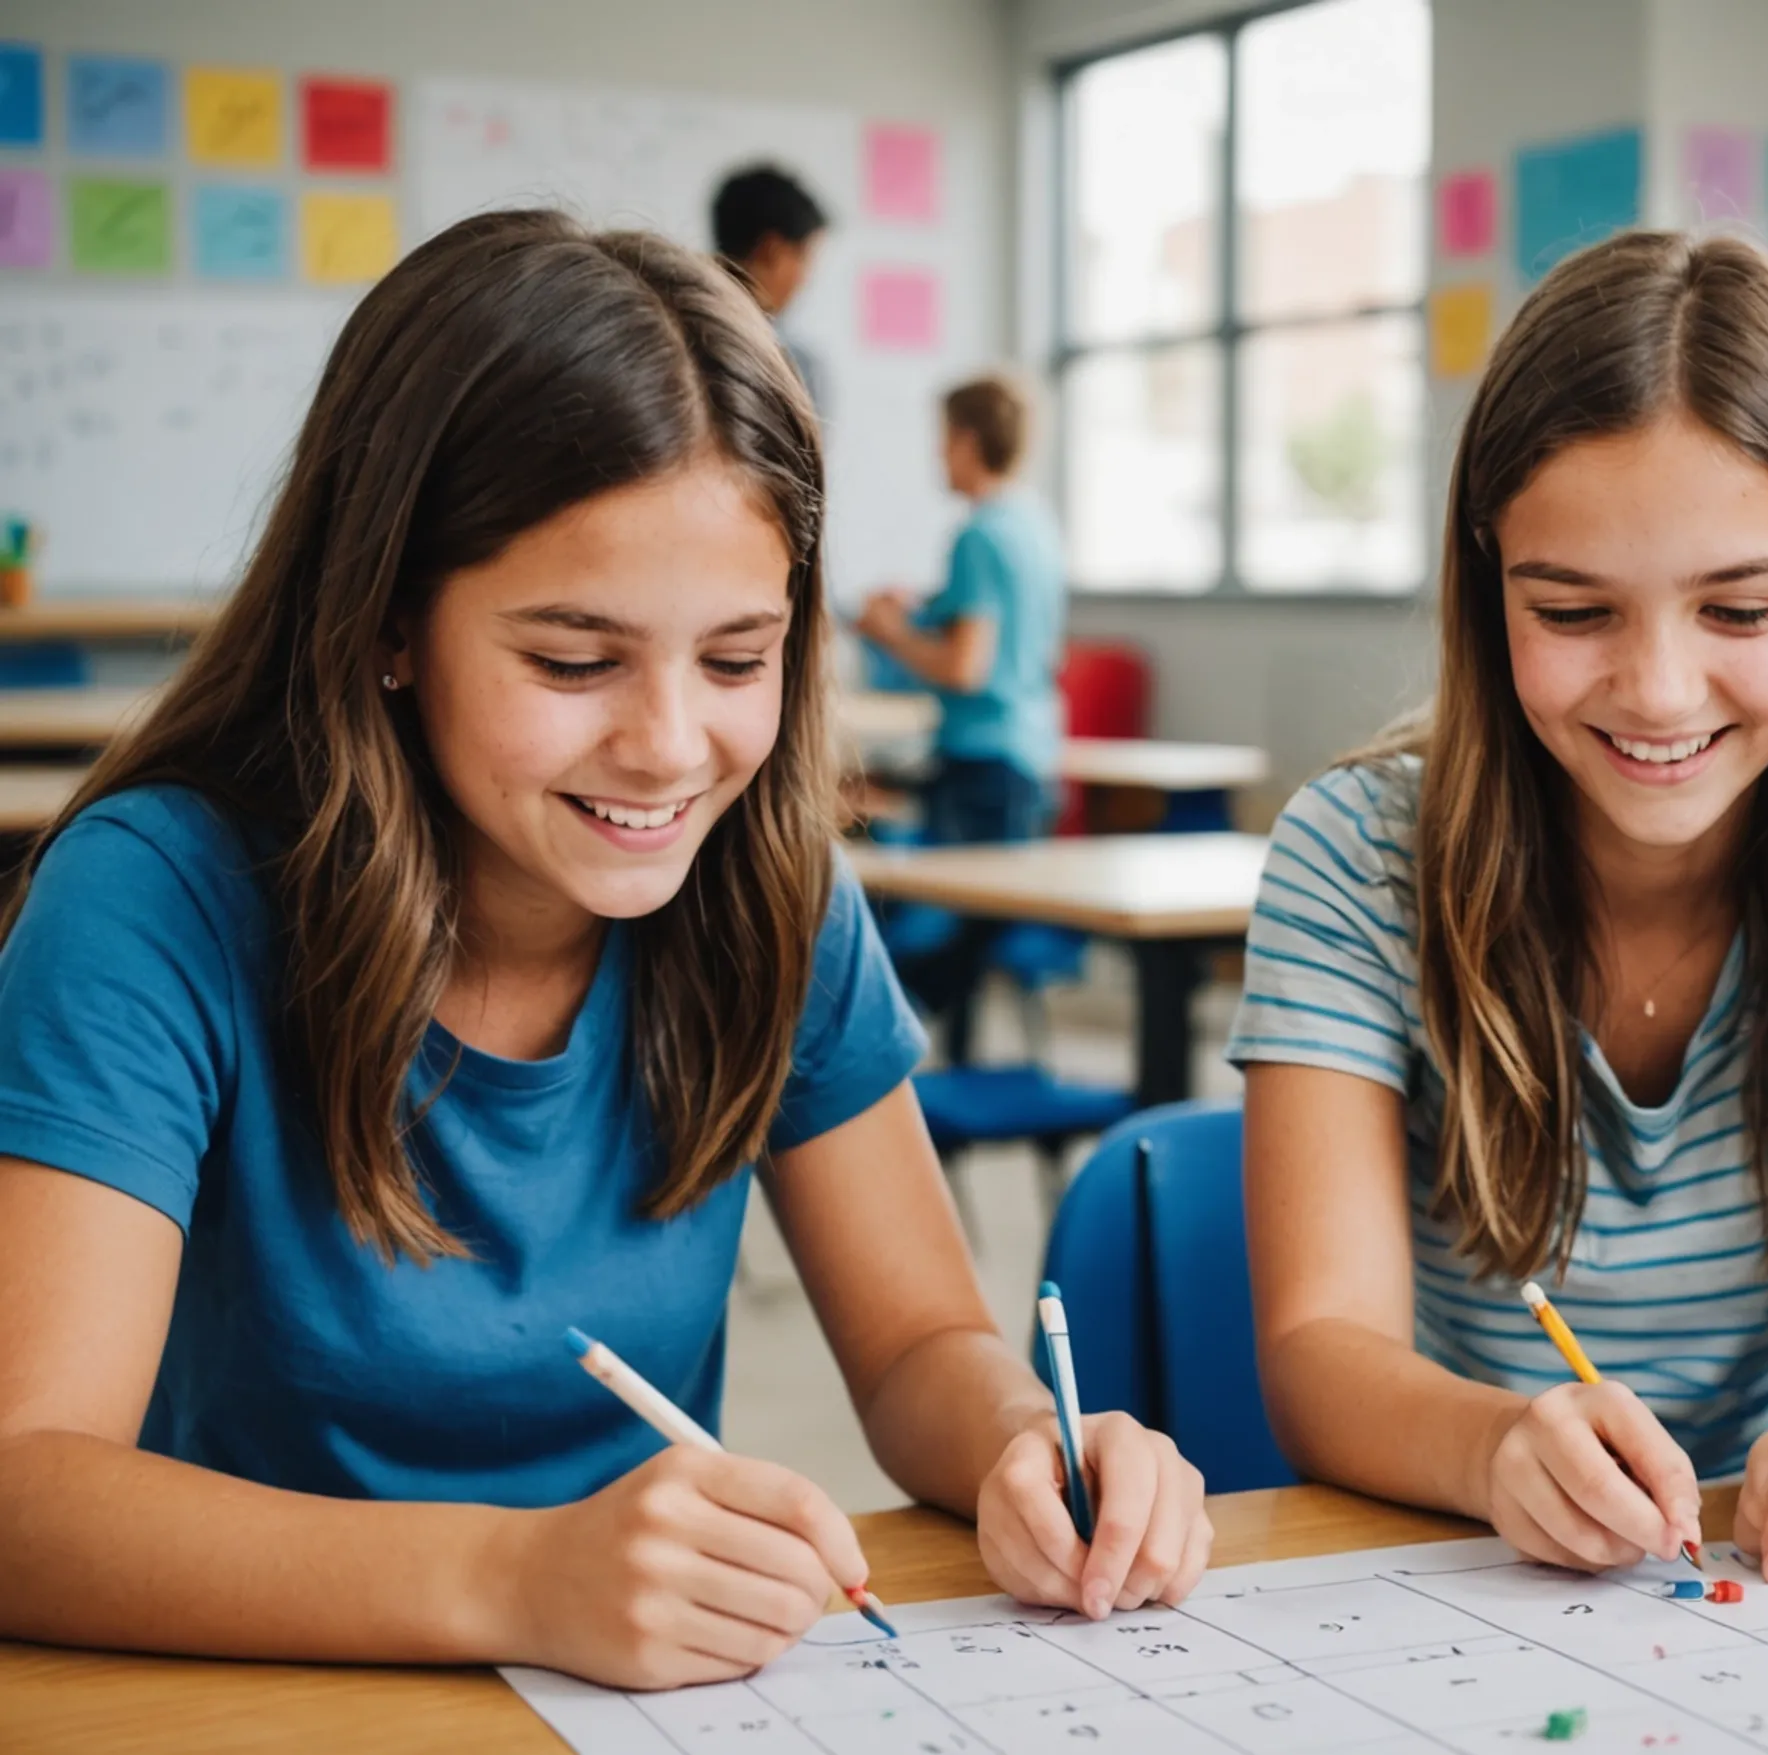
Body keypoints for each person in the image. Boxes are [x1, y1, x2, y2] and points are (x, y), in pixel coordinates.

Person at [0, 212, 1207, 1689]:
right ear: (385, 619)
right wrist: (515, 1572)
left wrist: (1030, 1443)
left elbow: (914, 1347)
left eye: (739, 657)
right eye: (573, 660)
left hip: (619, 1701)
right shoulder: (156, 899)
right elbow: (25, 1490)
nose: (669, 747)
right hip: (259, 1695)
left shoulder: (768, 889)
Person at [1236, 231, 1768, 1589]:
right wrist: (1500, 1444)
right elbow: (1323, 1352)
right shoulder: (1355, 851)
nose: (1661, 690)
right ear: (1488, 580)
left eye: (1739, 609)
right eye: (1573, 610)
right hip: (1453, 1547)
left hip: (1767, 1558)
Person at [856, 375, 1070, 1041]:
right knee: (980, 925)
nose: (938, 456)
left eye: (943, 440)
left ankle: (890, 1034)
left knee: (945, 929)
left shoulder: (977, 535)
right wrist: (923, 607)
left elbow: (966, 666)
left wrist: (892, 633)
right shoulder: (1033, 524)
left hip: (981, 758)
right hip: (1032, 754)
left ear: (969, 441)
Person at [710, 163, 831, 413]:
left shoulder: (665, 330)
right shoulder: (793, 367)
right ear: (771, 251)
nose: (803, 278)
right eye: (802, 257)